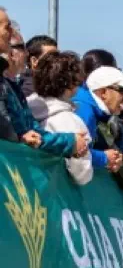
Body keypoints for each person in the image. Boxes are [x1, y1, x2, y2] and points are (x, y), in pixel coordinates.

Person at [0, 8, 85, 158]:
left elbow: (30, 130)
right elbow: (11, 134)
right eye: (7, 27)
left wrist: (70, 143)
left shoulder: (9, 85)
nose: (12, 32)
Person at [75, 67, 123, 206]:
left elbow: (112, 149)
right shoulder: (84, 110)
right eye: (122, 90)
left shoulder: (99, 113)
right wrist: (104, 158)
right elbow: (75, 153)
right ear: (104, 92)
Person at [33, 51, 93, 185]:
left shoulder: (23, 109)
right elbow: (82, 175)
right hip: (52, 198)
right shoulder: (71, 121)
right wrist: (78, 154)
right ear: (71, 84)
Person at [22, 34, 57, 124]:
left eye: (58, 56)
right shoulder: (29, 90)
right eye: (51, 57)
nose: (57, 61)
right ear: (34, 61)